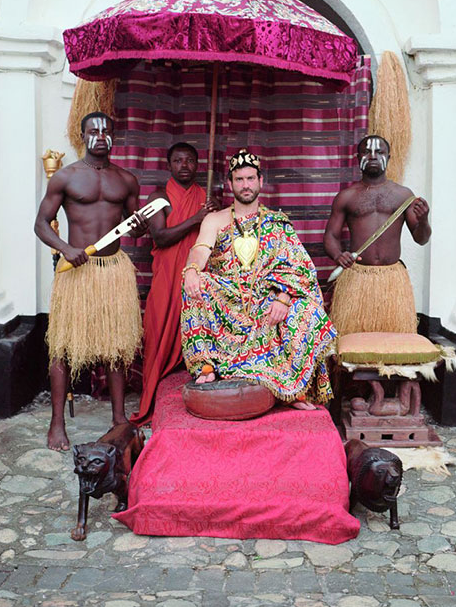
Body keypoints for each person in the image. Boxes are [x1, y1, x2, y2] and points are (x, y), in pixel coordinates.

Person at [181, 149, 336, 410]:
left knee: (308, 311)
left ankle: (292, 386)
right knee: (197, 284)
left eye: (250, 178)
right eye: (239, 179)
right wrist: (193, 270)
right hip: (229, 302)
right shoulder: (215, 219)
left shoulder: (278, 223)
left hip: (268, 301)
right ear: (230, 184)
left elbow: (300, 268)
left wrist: (284, 298)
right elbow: (200, 249)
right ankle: (206, 365)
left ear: (261, 182)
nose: (245, 185)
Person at [34, 112, 145, 451]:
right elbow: (41, 223)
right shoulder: (65, 178)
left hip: (113, 270)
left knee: (116, 345)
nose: (100, 136)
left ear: (113, 136)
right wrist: (66, 248)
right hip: (77, 272)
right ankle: (56, 424)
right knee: (63, 345)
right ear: (82, 136)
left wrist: (138, 225)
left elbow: (133, 225)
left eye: (106, 130)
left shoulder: (126, 180)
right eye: (93, 131)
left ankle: (118, 418)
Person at [131, 142, 219, 425]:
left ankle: (191, 400)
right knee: (159, 334)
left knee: (196, 334)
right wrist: (197, 219)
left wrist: (213, 216)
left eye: (190, 160)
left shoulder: (205, 197)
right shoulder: (159, 197)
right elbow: (161, 236)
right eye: (178, 161)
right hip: (167, 277)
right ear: (169, 165)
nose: (185, 166)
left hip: (196, 278)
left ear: (197, 164)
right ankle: (153, 397)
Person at [323, 134, 431, 336]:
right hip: (357, 279)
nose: (373, 156)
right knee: (354, 342)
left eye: (379, 152)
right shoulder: (347, 196)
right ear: (357, 158)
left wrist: (424, 220)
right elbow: (330, 236)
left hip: (392, 280)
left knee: (393, 343)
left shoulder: (403, 195)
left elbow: (421, 238)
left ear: (389, 157)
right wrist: (338, 255)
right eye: (367, 151)